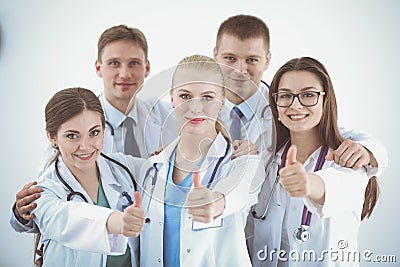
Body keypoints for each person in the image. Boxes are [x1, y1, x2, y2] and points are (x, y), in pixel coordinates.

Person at [10, 24, 176, 232]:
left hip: (158, 243)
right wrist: (22, 215)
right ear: (98, 68)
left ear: (147, 67)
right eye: (114, 63)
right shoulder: (71, 125)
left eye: (133, 63)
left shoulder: (172, 117)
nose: (124, 73)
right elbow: (50, 203)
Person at [213, 14, 387, 174]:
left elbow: (335, 134)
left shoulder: (285, 109)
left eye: (252, 59)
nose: (239, 70)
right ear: (215, 56)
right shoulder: (194, 106)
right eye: (230, 58)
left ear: (266, 60)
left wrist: (367, 150)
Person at [135, 55, 264, 266]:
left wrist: (215, 203)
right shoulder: (153, 166)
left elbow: (237, 192)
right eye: (185, 96)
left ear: (222, 100)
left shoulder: (243, 162)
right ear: (172, 99)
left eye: (207, 97)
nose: (195, 108)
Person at [249, 57, 380, 266]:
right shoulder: (266, 161)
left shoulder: (350, 162)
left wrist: (305, 182)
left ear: (325, 100)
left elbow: (334, 187)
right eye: (285, 96)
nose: (295, 105)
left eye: (308, 95)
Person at [30, 87, 153, 266]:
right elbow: (68, 220)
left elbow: (166, 169)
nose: (85, 146)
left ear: (104, 129)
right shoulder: (42, 191)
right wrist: (119, 221)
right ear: (52, 137)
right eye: (72, 136)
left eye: (94, 132)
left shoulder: (123, 167)